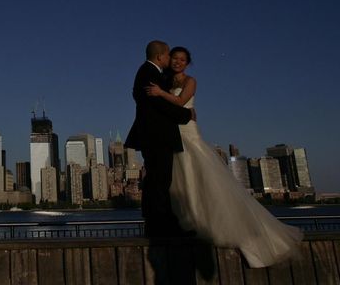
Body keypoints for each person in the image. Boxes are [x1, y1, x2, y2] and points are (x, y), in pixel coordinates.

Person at [146, 46, 303, 268]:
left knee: (205, 178)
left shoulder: (191, 81)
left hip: (189, 134)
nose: (178, 62)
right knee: (184, 182)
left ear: (188, 63)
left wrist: (161, 95)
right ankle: (193, 222)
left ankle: (249, 241)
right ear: (169, 60)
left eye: (183, 59)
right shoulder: (164, 80)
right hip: (173, 135)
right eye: (175, 58)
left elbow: (181, 102)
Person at [125, 40, 195, 237]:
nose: (171, 60)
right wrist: (187, 115)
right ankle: (159, 224)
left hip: (157, 134)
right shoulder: (149, 72)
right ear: (160, 57)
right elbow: (158, 104)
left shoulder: (154, 74)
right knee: (159, 180)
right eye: (169, 56)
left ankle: (160, 221)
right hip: (157, 135)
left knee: (159, 179)